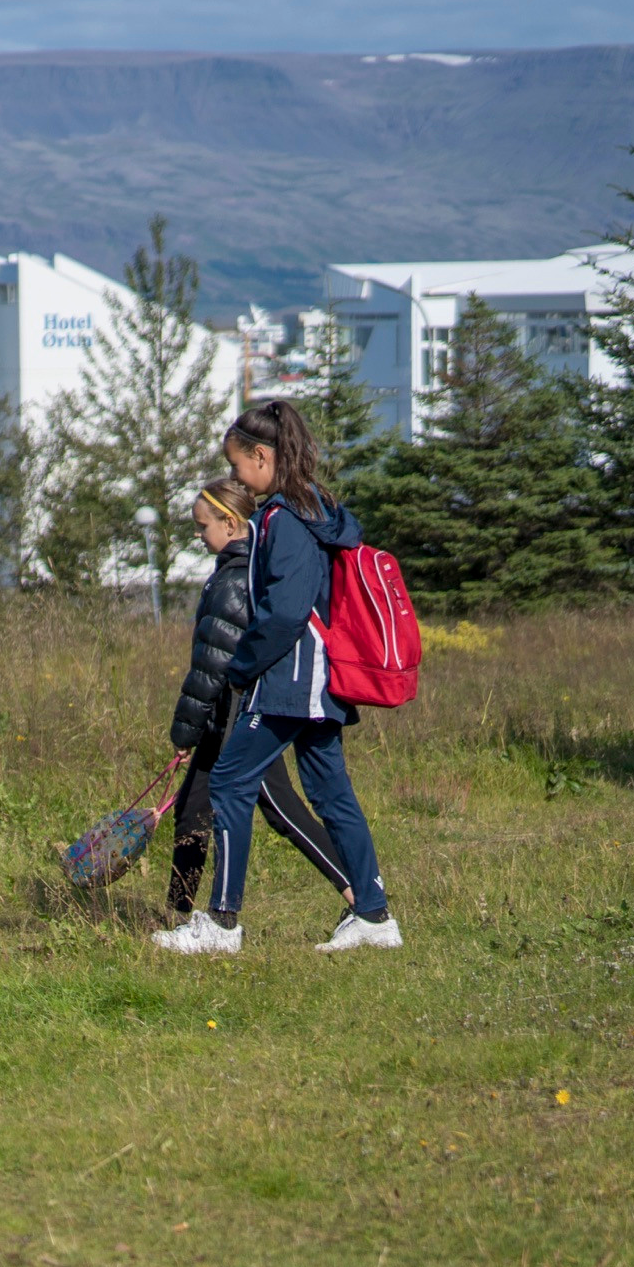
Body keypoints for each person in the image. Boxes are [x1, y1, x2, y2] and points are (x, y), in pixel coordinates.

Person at [153, 398, 401, 958]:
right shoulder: (317, 509)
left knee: (230, 782)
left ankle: (221, 924)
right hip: (322, 681)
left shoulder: (285, 519)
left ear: (263, 456)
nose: (238, 476)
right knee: (332, 793)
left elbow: (286, 612)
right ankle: (373, 916)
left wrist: (242, 669)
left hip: (291, 681)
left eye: (238, 465)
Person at [162, 476, 353, 925]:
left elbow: (211, 668)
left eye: (201, 525)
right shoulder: (233, 572)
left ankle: (362, 897)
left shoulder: (233, 581)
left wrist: (183, 732)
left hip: (241, 719)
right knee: (192, 812)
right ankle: (178, 917)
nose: (197, 533)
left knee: (283, 812)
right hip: (219, 720)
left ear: (230, 523)